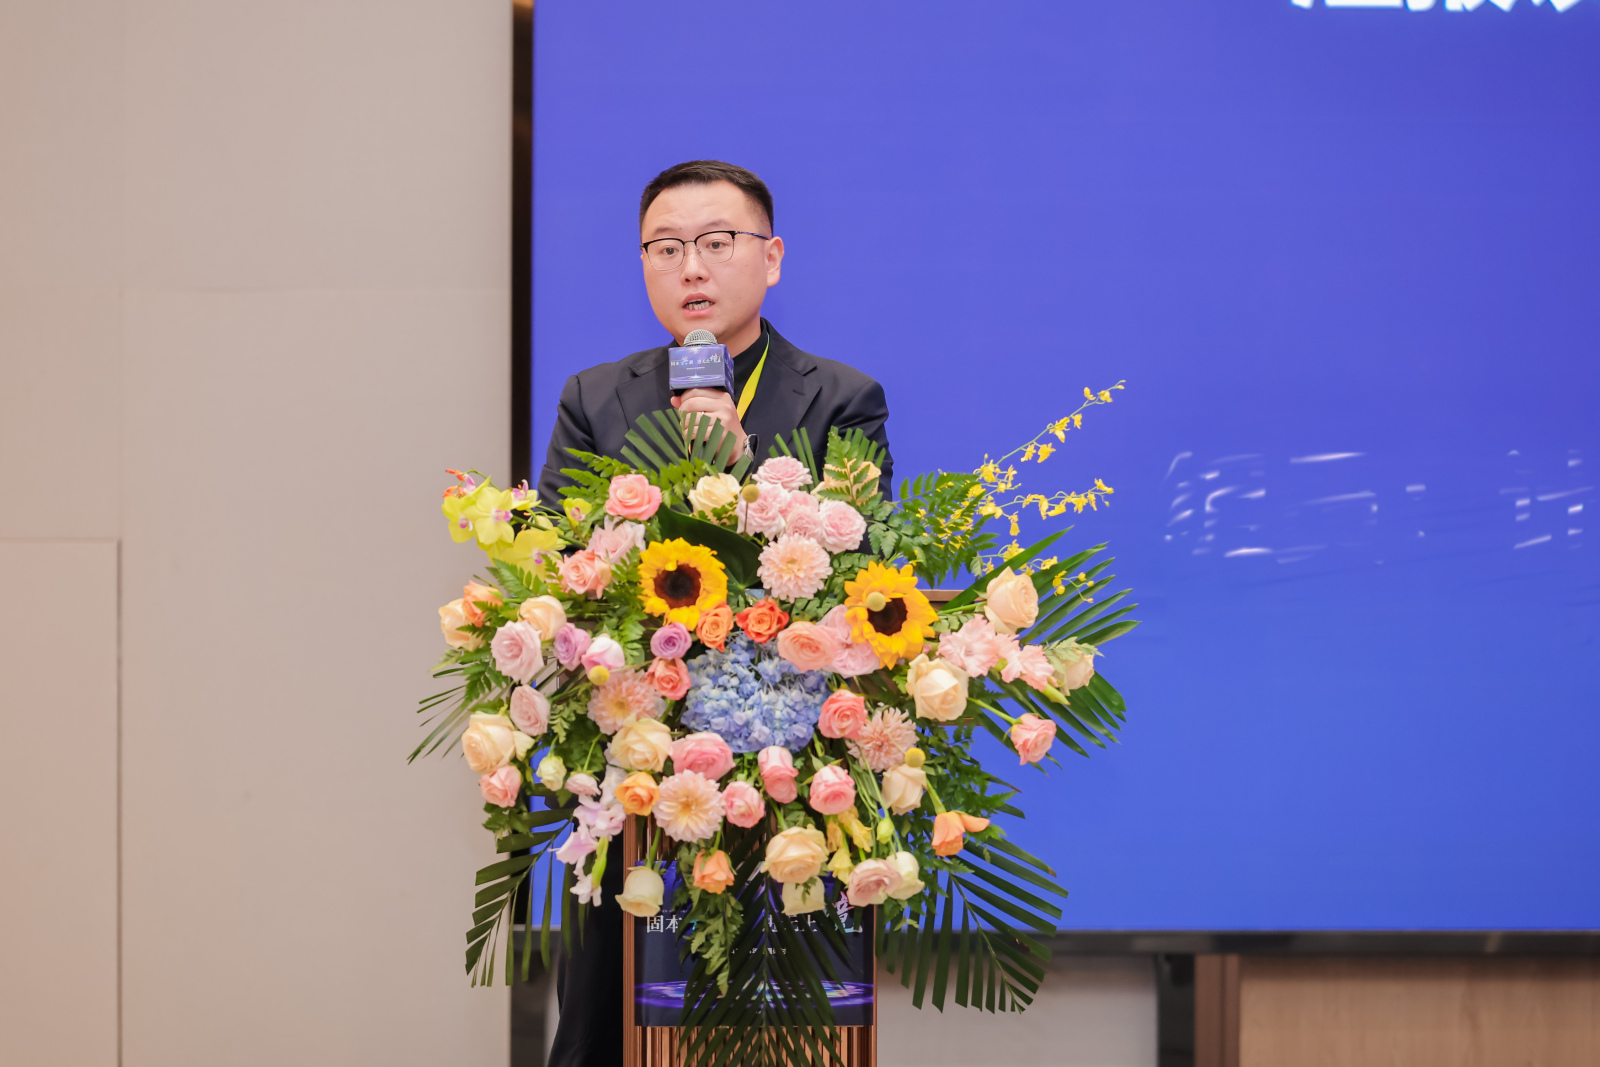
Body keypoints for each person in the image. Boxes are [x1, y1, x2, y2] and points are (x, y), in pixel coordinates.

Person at [540, 160, 894, 1067]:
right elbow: (561, 570)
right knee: (605, 1030)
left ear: (770, 258)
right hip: (638, 779)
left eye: (715, 242)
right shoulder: (594, 399)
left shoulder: (841, 397)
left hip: (791, 787)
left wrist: (736, 481)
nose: (690, 267)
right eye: (665, 248)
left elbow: (864, 580)